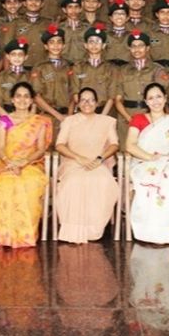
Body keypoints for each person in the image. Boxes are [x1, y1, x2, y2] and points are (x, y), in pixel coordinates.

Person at [0, 82, 53, 248]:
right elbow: (0, 148)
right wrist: (10, 163)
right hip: (7, 163)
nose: (22, 100)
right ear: (13, 100)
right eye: (18, 96)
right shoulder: (5, 120)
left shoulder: (40, 121)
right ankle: (3, 235)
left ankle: (25, 235)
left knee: (28, 183)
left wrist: (24, 162)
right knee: (4, 184)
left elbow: (41, 148)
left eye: (26, 96)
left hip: (31, 164)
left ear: (31, 101)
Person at [126, 82, 169, 246]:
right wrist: (151, 158)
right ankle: (152, 230)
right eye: (151, 98)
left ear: (165, 99)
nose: (155, 101)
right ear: (146, 101)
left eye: (158, 96)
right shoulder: (138, 119)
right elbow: (130, 145)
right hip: (144, 162)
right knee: (156, 179)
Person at [55, 87, 119, 243]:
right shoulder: (69, 121)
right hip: (73, 162)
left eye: (91, 100)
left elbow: (114, 145)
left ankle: (93, 229)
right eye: (83, 100)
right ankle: (74, 229)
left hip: (98, 163)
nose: (87, 103)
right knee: (74, 181)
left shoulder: (107, 122)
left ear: (97, 103)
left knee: (103, 181)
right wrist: (79, 158)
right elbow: (60, 145)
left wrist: (99, 159)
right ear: (78, 103)